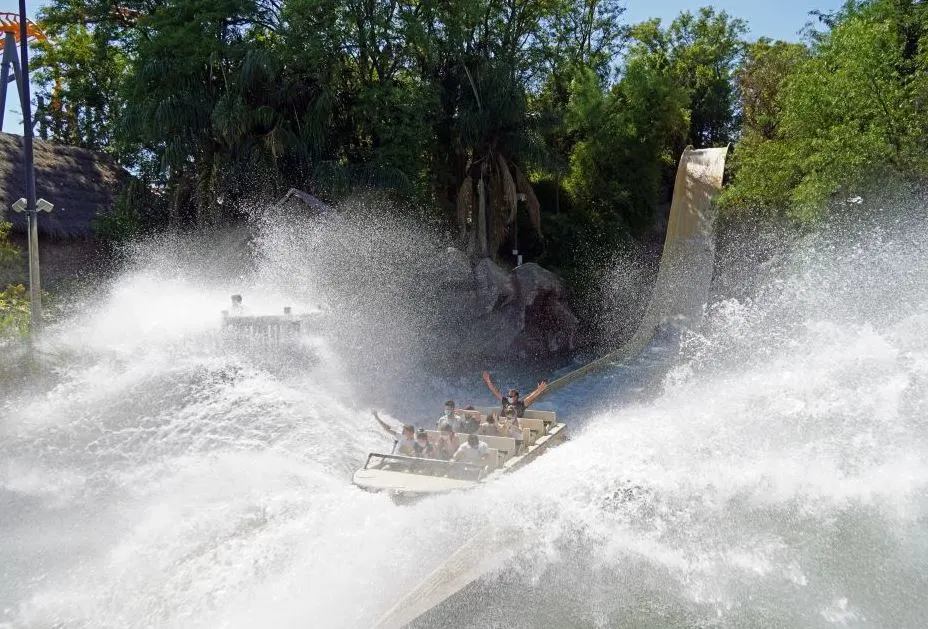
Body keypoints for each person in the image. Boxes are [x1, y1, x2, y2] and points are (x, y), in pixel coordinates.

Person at [481, 371, 547, 417]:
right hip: (503, 424)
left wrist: (539, 390)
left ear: (516, 397)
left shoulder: (521, 404)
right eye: (508, 395)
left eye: (511, 396)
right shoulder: (505, 401)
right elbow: (494, 391)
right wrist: (488, 381)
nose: (509, 397)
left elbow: (532, 396)